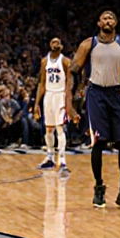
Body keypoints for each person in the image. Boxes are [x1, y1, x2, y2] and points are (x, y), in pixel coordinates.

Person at [70, 10, 120, 210]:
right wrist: (73, 98)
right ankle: (99, 187)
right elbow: (73, 70)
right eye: (104, 18)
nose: (107, 20)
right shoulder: (88, 44)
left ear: (116, 23)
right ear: (99, 23)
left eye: (111, 18)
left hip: (117, 93)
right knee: (99, 142)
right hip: (96, 94)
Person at [33, 37, 78, 176]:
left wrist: (68, 100)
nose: (55, 44)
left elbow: (69, 81)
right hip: (48, 95)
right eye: (53, 42)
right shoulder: (44, 61)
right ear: (49, 45)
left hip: (60, 95)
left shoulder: (65, 61)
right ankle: (50, 157)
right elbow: (42, 83)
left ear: (61, 46)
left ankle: (62, 160)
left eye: (58, 42)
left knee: (60, 128)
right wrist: (36, 103)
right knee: (49, 129)